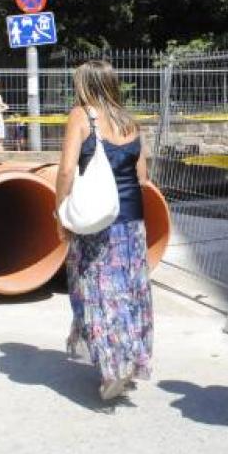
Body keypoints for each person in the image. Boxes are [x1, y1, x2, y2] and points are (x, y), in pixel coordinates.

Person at [55, 60, 153, 402]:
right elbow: (142, 176)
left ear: (84, 85)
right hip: (132, 221)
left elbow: (67, 170)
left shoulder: (82, 116)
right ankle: (129, 356)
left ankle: (113, 367)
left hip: (97, 223)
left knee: (96, 290)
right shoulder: (130, 120)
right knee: (129, 290)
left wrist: (60, 212)